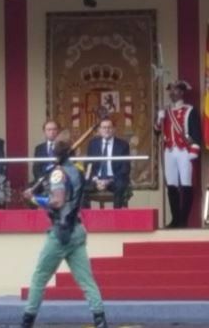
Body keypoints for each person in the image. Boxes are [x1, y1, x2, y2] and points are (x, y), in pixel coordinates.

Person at [20, 142, 108, 328]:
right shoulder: (77, 171)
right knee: (86, 280)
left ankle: (27, 322)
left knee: (39, 277)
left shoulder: (58, 173)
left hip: (60, 232)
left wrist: (35, 199)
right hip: (77, 230)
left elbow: (57, 201)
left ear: (56, 155)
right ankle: (100, 319)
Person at [155, 80, 201, 227]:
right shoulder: (166, 111)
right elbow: (156, 132)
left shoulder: (189, 110)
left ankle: (183, 219)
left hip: (184, 151)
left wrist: (194, 149)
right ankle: (175, 218)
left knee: (186, 183)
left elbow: (195, 132)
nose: (172, 93)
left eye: (175, 90)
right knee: (172, 185)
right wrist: (159, 119)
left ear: (182, 92)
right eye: (171, 90)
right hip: (169, 150)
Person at [86, 118, 131, 209]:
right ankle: (86, 220)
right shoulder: (92, 144)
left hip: (114, 179)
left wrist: (109, 181)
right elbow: (88, 165)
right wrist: (95, 179)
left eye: (109, 127)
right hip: (96, 179)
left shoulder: (123, 145)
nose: (106, 130)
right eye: (104, 127)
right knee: (82, 188)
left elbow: (125, 168)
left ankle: (116, 218)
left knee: (121, 186)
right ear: (99, 130)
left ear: (114, 129)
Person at [31, 120, 61, 195]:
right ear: (44, 132)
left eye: (54, 129)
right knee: (29, 191)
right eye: (49, 130)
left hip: (59, 180)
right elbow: (36, 168)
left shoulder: (64, 147)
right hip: (42, 180)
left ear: (58, 131)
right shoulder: (39, 148)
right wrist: (42, 180)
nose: (52, 132)